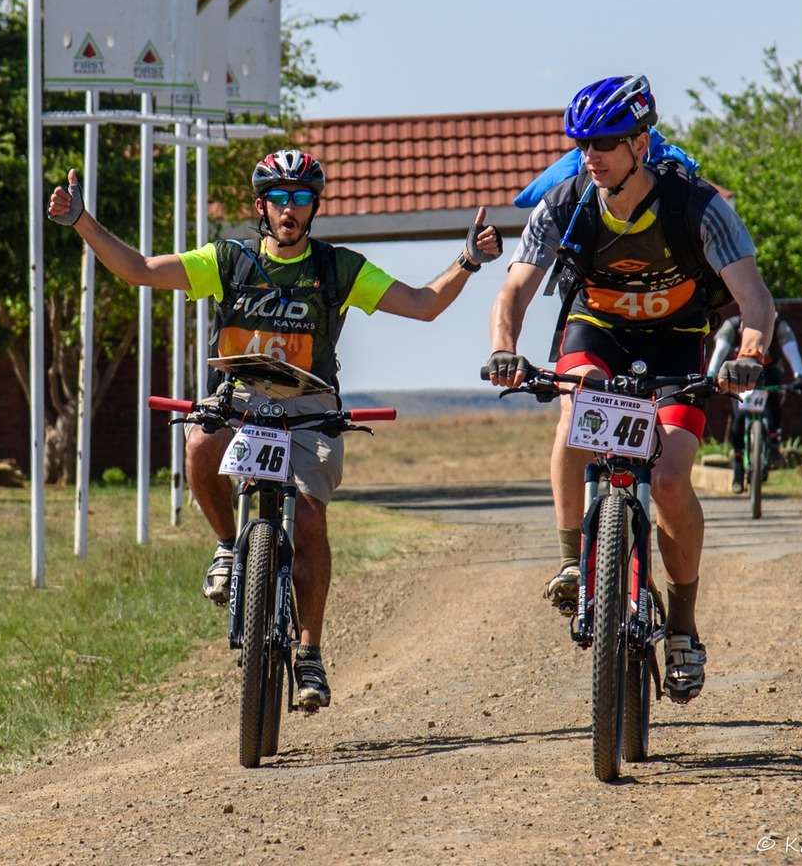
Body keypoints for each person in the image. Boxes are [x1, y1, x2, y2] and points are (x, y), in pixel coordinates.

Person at [50, 148, 501, 709]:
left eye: (302, 198)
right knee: (199, 442)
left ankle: (309, 652)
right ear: (261, 206)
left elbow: (423, 304)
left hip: (309, 407)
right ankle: (225, 546)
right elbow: (138, 270)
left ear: (315, 207)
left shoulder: (338, 269)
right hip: (240, 400)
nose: (291, 209)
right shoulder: (228, 261)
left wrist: (468, 259)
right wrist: (82, 222)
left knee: (309, 518)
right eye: (280, 198)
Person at [483, 75, 776, 703]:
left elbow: (755, 299)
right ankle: (572, 559)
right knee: (575, 415)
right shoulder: (565, 204)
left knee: (668, 478)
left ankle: (683, 627)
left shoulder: (697, 207)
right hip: (597, 332)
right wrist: (504, 349)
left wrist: (748, 355)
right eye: (583, 144)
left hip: (676, 341)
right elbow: (514, 290)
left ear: (640, 144)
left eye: (606, 143)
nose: (591, 156)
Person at [707, 311, 802, 492]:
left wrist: (799, 375)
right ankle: (738, 467)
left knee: (774, 400)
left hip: (769, 372)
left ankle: (773, 442)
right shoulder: (732, 326)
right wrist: (711, 375)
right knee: (738, 419)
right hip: (741, 373)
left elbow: (790, 346)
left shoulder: (778, 324)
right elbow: (720, 349)